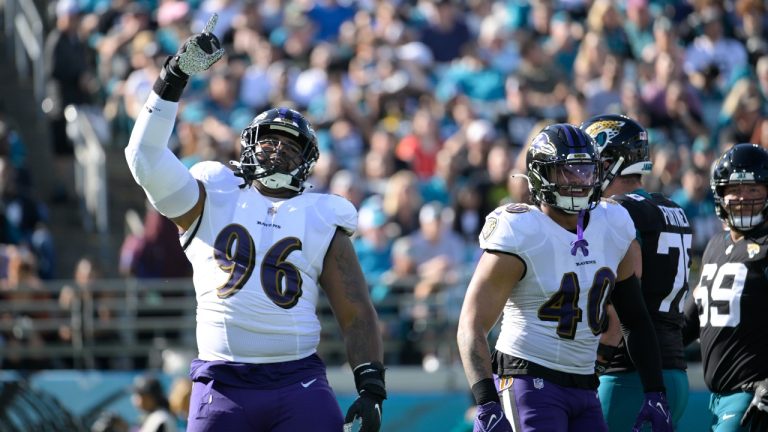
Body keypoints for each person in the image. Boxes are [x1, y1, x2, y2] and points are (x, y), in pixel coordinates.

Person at [124, 15, 385, 432]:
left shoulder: (321, 214)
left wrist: (371, 385)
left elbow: (355, 309)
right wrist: (174, 75)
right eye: (270, 140)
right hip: (221, 381)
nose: (279, 150)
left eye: (291, 146)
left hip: (297, 380)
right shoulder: (213, 192)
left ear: (307, 162)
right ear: (248, 146)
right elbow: (144, 158)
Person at [457, 123, 672, 432]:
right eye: (566, 171)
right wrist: (487, 403)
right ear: (540, 174)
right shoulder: (521, 230)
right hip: (528, 378)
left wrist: (655, 390)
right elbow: (472, 323)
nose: (578, 180)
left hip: (585, 386)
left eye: (585, 170)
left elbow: (634, 318)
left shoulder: (613, 223)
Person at [581, 114, 694, 430]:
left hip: (628, 376)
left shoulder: (614, 211)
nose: (582, 174)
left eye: (589, 165)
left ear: (608, 163)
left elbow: (623, 307)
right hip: (674, 372)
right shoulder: (674, 209)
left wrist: (593, 369)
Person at [683, 143, 768, 432]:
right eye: (735, 189)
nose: (743, 197)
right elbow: (692, 318)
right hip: (717, 398)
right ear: (720, 194)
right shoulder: (716, 245)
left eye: (753, 189)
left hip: (751, 395)